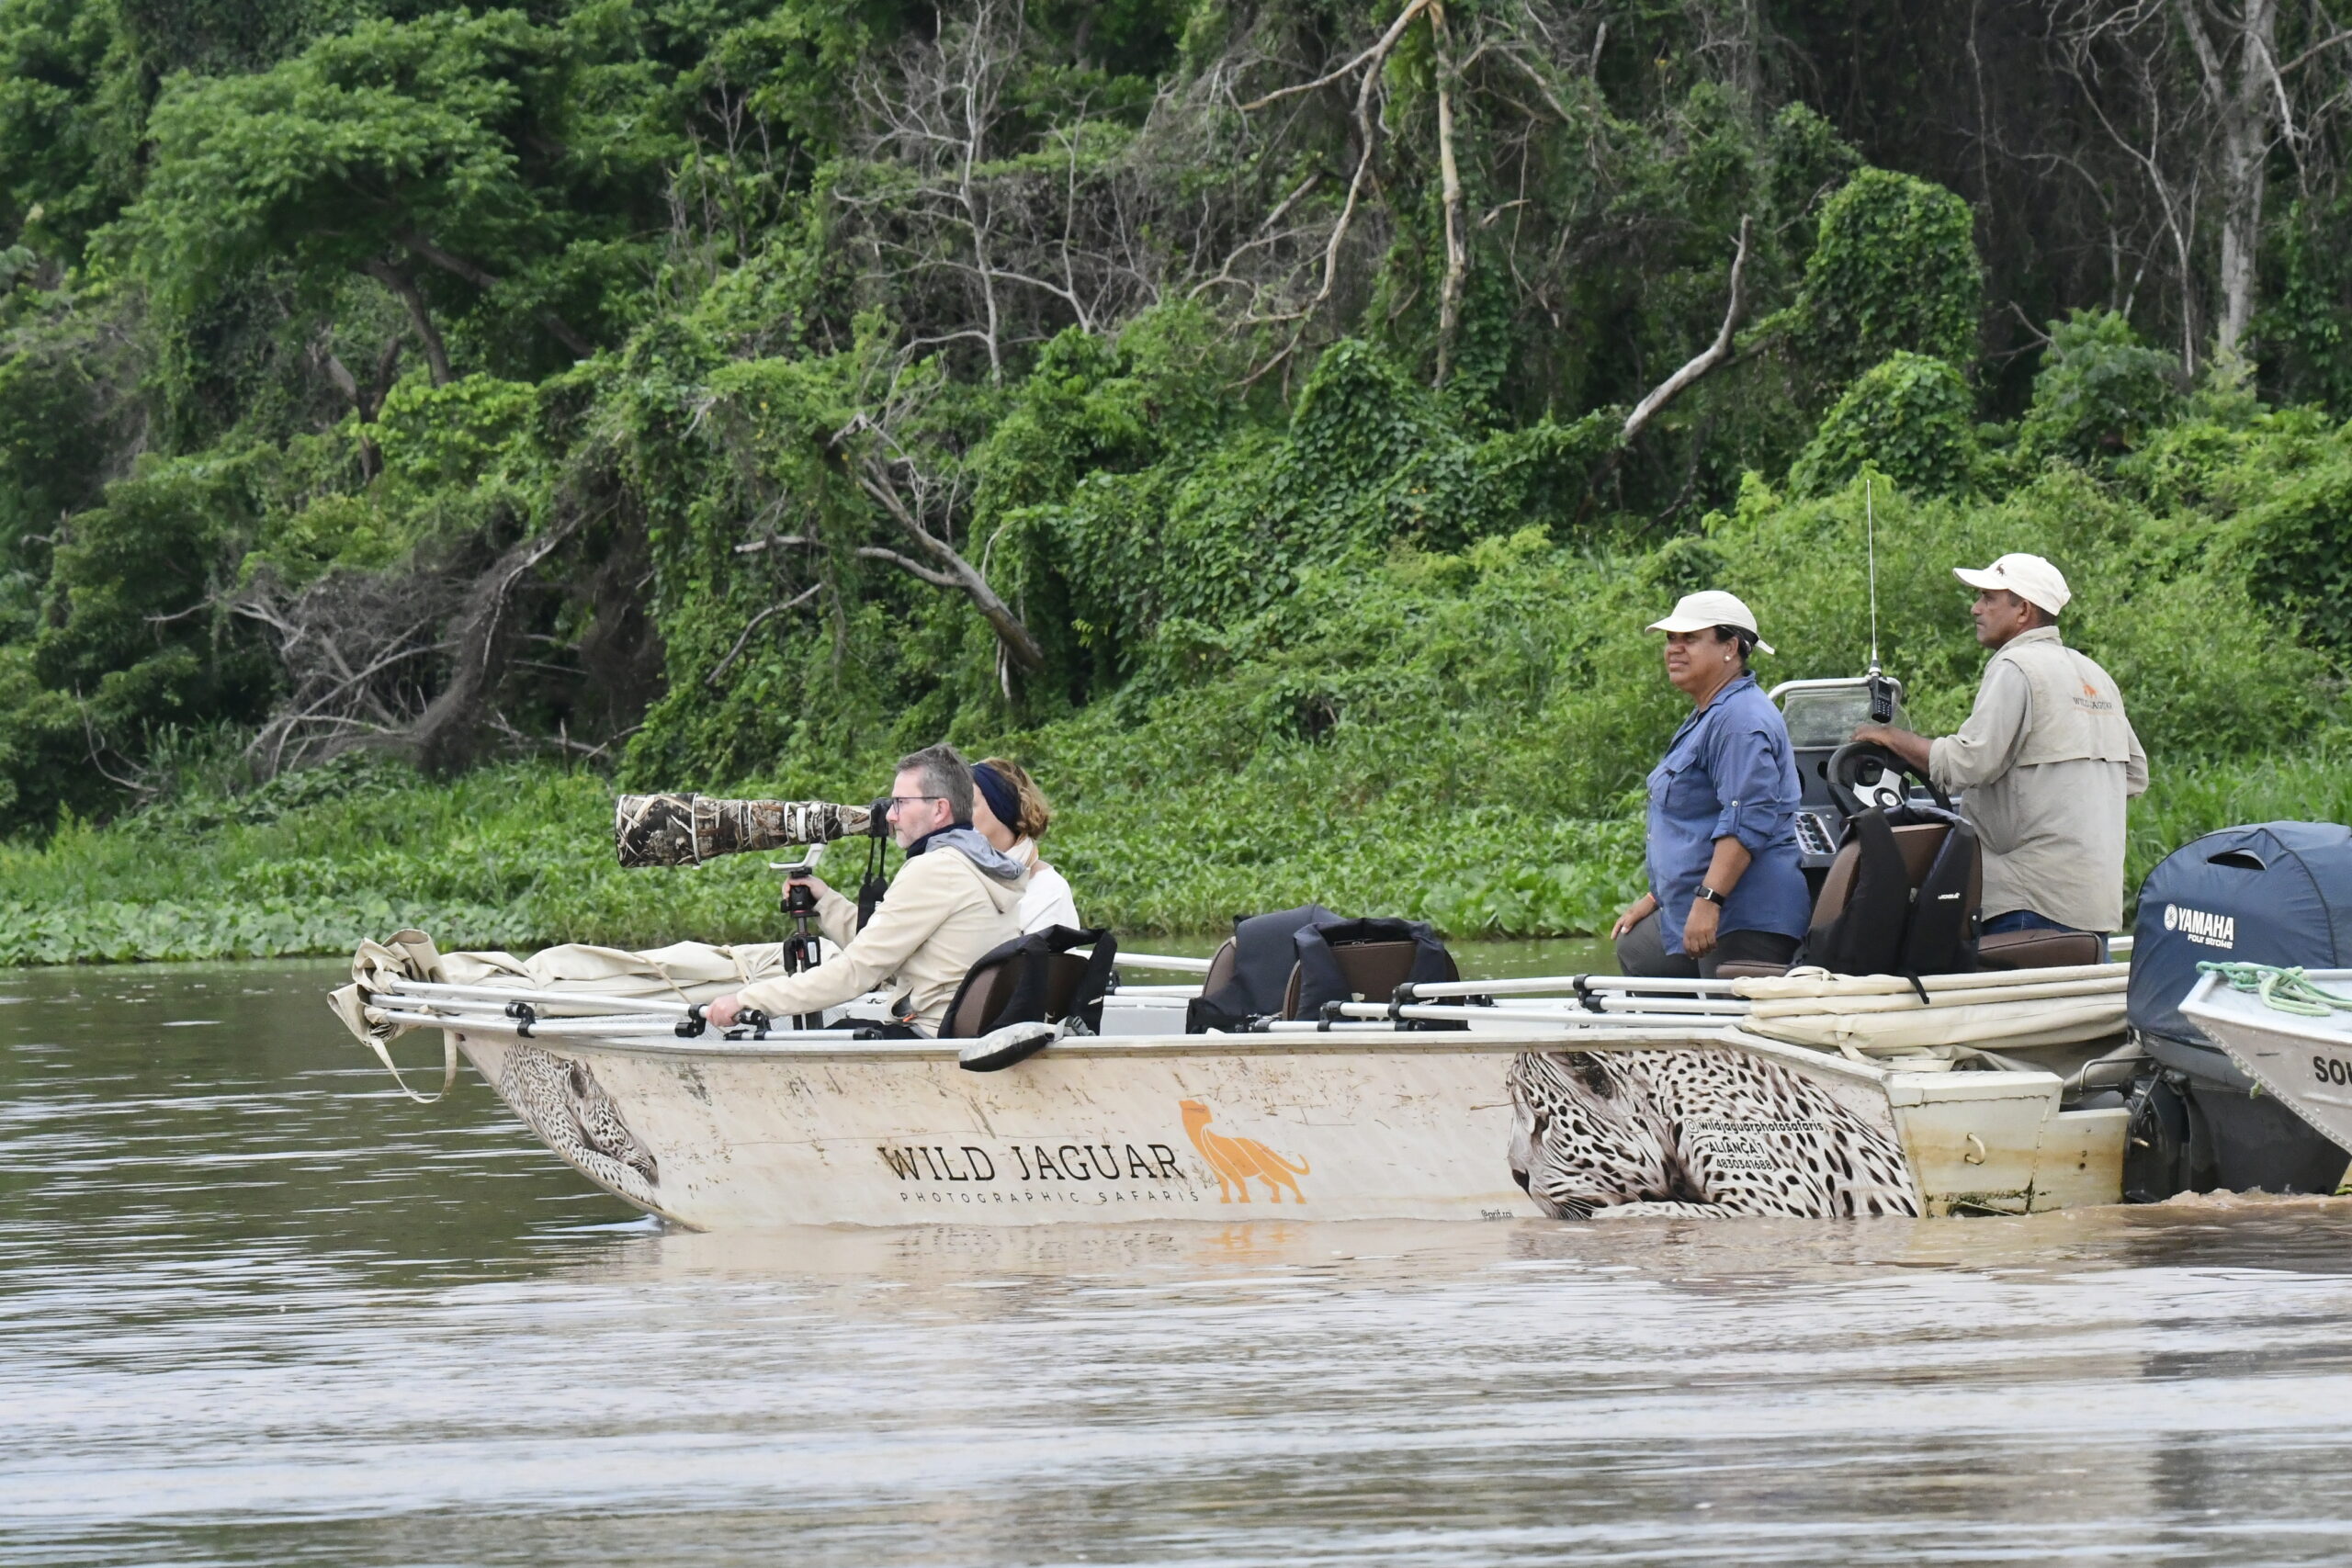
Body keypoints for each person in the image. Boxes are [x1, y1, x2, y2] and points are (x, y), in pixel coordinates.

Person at [1850, 552, 2147, 946]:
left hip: (2025, 902)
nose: (1976, 608)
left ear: (2023, 610)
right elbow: (2134, 775)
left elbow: (1968, 763)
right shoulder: (2095, 675)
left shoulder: (2016, 667)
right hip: (2093, 901)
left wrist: (1889, 738)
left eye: (1989, 598)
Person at [707, 744, 1027, 1034]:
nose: (890, 815)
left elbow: (857, 972)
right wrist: (827, 904)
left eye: (900, 803)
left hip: (930, 1037)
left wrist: (746, 999)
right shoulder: (980, 861)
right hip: (960, 1031)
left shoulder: (935, 869)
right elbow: (884, 948)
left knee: (796, 1048)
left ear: (940, 809)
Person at [1611, 591, 1811, 978]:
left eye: (1690, 638)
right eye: (1671, 639)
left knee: (1730, 1028)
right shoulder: (1711, 712)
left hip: (1743, 915)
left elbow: (1745, 821)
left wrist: (1709, 900)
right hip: (1700, 903)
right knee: (1638, 950)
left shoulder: (1740, 720)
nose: (1675, 649)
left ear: (1730, 648)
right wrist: (1656, 897)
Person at [971, 756, 1081, 932]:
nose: (959, 816)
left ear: (1002, 808)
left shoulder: (1049, 890)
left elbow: (1046, 960)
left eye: (970, 804)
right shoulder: (952, 873)